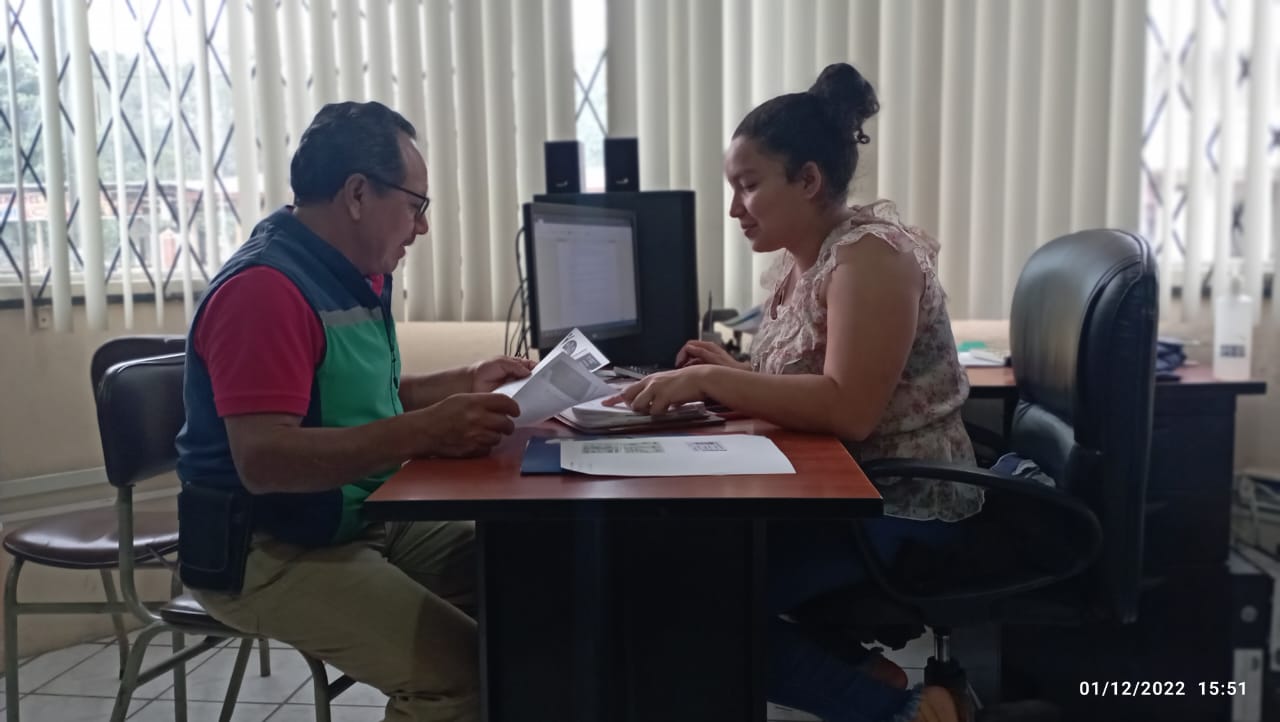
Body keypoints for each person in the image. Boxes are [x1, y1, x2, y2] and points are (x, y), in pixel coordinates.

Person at [605, 64, 977, 722]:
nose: (734, 209)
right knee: (673, 567)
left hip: (900, 506)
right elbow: (810, 382)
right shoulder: (804, 260)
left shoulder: (871, 256)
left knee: (692, 603)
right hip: (840, 495)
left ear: (808, 180)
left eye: (748, 185)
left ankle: (909, 711)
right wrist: (738, 373)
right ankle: (861, 674)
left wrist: (717, 380)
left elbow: (850, 410)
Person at [175, 101, 532, 722]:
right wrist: (426, 430)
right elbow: (265, 460)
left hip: (355, 516)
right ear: (359, 194)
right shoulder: (264, 291)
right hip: (267, 548)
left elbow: (363, 398)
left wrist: (463, 381)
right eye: (416, 205)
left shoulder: (351, 276)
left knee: (536, 580)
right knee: (458, 677)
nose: (422, 227)